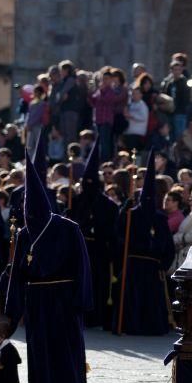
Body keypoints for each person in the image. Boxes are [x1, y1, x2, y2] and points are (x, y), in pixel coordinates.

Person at [5, 156, 92, 383]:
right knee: (39, 352)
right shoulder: (24, 233)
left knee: (65, 350)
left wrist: (81, 301)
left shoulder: (68, 228)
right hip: (37, 300)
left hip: (64, 298)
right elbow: (17, 274)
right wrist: (12, 310)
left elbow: (82, 267)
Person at [112, 149, 174, 336]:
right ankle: (131, 325)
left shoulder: (159, 218)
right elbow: (119, 234)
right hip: (134, 263)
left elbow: (167, 245)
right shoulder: (130, 214)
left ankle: (148, 326)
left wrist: (162, 263)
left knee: (149, 298)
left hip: (151, 265)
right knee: (133, 296)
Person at [65, 137, 119, 330]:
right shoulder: (76, 201)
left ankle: (97, 317)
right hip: (79, 249)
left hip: (98, 251)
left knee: (98, 283)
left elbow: (112, 230)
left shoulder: (109, 206)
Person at [170, 187, 192, 273]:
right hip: (181, 253)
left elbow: (191, 237)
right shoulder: (191, 214)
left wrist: (175, 238)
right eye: (190, 200)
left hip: (190, 256)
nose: (191, 203)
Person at [160, 57, 191, 139]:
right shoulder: (168, 83)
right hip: (169, 113)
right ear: (171, 71)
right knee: (170, 135)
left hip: (180, 113)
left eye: (179, 69)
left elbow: (186, 99)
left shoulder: (184, 82)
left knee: (179, 135)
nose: (177, 72)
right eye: (175, 69)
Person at [123, 87, 149, 154]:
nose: (134, 95)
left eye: (136, 93)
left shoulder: (142, 105)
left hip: (137, 135)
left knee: (134, 154)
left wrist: (131, 116)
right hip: (129, 133)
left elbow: (143, 117)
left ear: (141, 95)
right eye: (133, 94)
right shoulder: (131, 105)